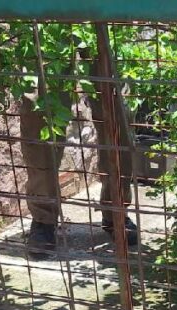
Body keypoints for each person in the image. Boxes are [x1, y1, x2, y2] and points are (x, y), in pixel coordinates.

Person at [19, 54, 138, 258]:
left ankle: (116, 210)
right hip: (48, 25)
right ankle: (43, 219)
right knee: (39, 110)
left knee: (116, 109)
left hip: (102, 21)